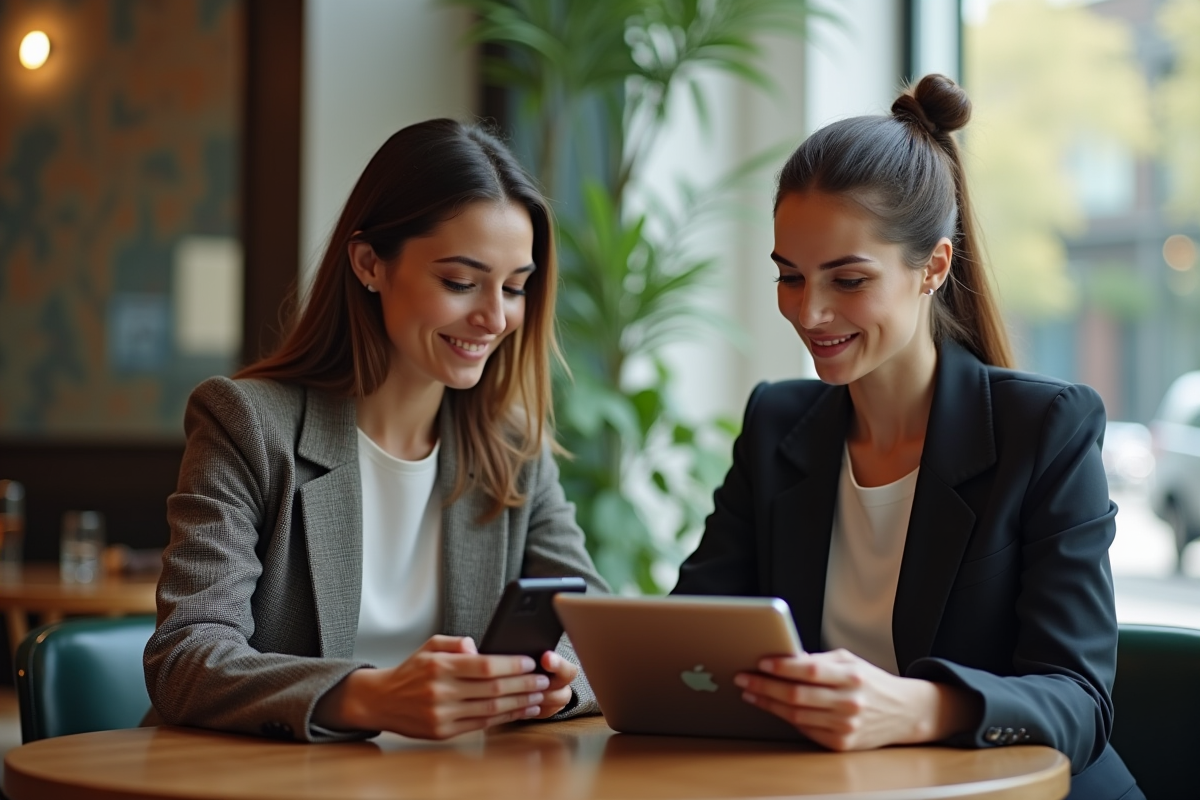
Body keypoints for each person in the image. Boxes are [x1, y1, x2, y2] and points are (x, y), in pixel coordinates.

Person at [673, 75, 1142, 800]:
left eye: (848, 279)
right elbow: (689, 641)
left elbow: (1079, 700)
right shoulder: (777, 425)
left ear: (934, 267)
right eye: (790, 277)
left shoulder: (1045, 429)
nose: (811, 312)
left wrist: (916, 705)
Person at [143, 118, 608, 743]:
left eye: (516, 288)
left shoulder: (512, 450)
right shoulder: (248, 424)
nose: (494, 318)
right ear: (368, 263)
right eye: (460, 282)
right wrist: (371, 697)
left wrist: (557, 686)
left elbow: (599, 638)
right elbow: (186, 657)